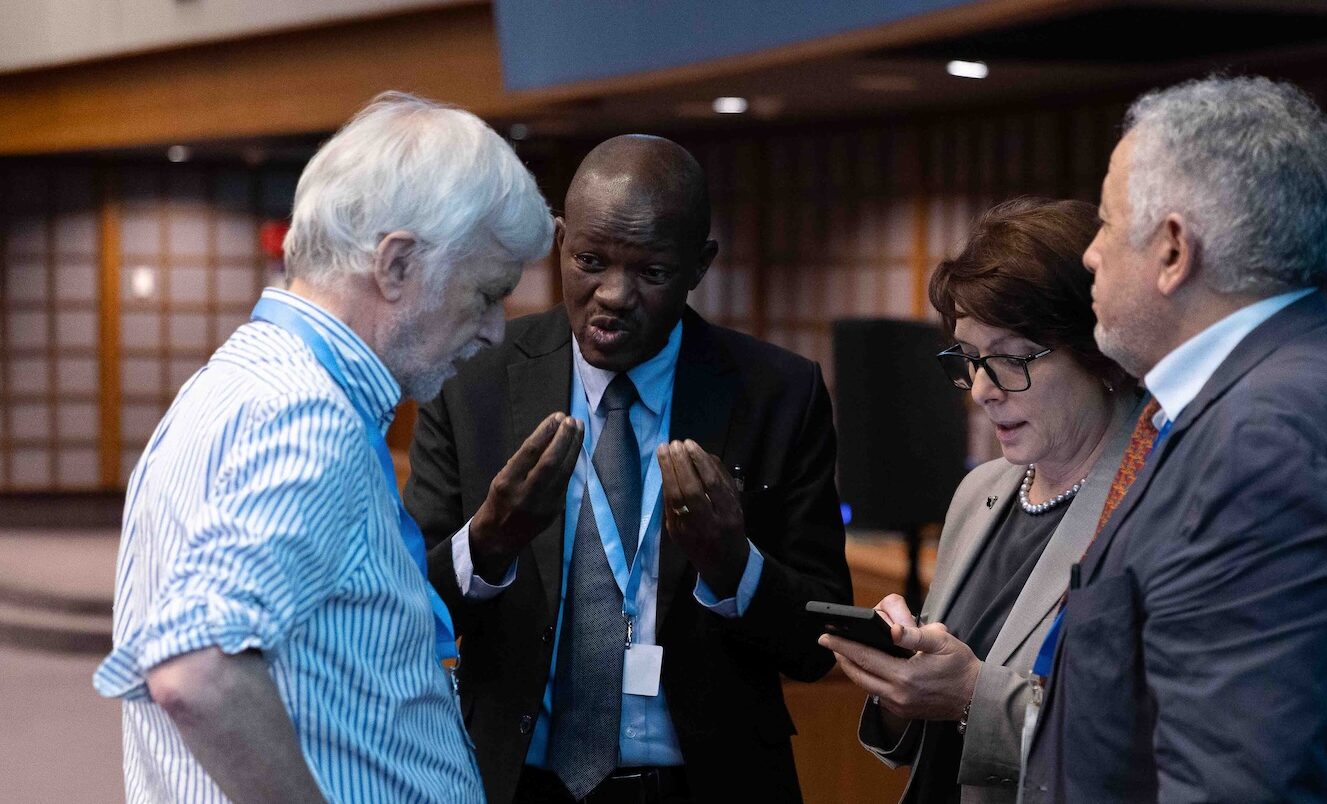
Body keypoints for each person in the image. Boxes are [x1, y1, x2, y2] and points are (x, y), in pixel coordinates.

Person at [92, 92, 556, 803]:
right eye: (485, 293)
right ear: (396, 265)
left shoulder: (233, 383)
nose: (495, 328)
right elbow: (197, 668)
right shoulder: (306, 415)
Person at [1028, 75, 1327, 802]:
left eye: (1104, 223)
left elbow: (1236, 782)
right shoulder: (1319, 383)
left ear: (1171, 251)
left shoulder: (1265, 438)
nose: (1090, 254)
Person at [403, 133, 852, 804]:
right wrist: (490, 540)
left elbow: (821, 643)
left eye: (650, 272)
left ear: (700, 264)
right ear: (560, 240)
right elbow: (404, 604)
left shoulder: (778, 393)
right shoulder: (474, 379)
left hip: (704, 784)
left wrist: (735, 567)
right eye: (590, 260)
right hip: (511, 779)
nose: (612, 294)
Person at [819, 197, 1152, 803]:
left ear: (1100, 351)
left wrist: (972, 694)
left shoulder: (1154, 500)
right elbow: (933, 737)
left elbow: (1141, 734)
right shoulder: (981, 491)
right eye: (971, 360)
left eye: (1011, 359)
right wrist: (903, 682)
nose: (981, 391)